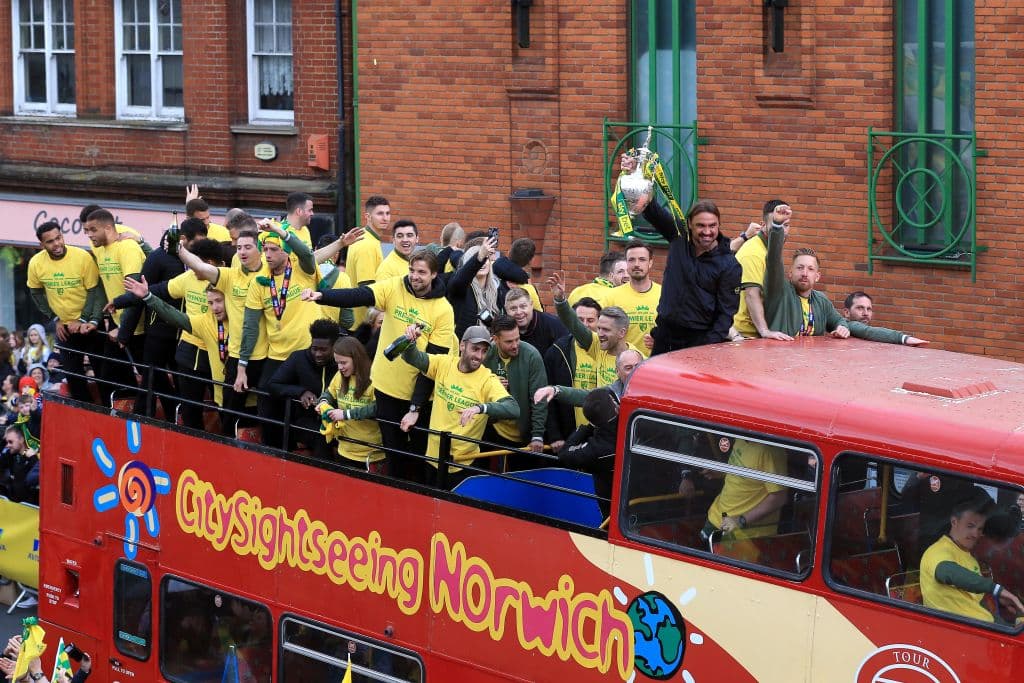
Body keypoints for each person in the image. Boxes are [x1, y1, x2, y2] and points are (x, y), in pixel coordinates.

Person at [303, 248, 455, 481]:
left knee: (417, 456)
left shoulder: (443, 309)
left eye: (421, 272)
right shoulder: (395, 286)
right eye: (412, 270)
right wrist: (323, 296)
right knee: (393, 455)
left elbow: (433, 366)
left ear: (434, 274)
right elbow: (359, 295)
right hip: (385, 388)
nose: (414, 276)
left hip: (419, 394)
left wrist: (415, 408)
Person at [762, 224, 927, 345]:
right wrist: (777, 229)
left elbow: (845, 323)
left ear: (818, 276)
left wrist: (902, 338)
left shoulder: (821, 301)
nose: (805, 273)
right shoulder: (780, 292)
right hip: (779, 367)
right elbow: (773, 262)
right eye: (800, 268)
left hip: (809, 369)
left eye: (810, 269)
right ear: (790, 273)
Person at [400, 324, 518, 488]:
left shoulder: (487, 379)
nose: (479, 356)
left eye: (484, 351)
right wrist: (410, 341)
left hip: (462, 464)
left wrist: (480, 408)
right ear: (462, 345)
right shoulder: (443, 363)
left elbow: (513, 408)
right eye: (475, 349)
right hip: (433, 457)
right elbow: (412, 358)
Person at [237, 221, 320, 447]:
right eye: (265, 249)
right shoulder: (259, 282)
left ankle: (303, 458)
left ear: (286, 252)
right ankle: (272, 454)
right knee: (267, 408)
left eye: (274, 249)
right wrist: (242, 367)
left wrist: (280, 231)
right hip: (277, 355)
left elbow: (306, 253)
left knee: (304, 411)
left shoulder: (302, 269)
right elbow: (251, 326)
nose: (268, 254)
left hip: (305, 351)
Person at [639, 200, 741, 353]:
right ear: (690, 224)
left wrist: (707, 347)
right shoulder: (678, 237)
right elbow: (652, 210)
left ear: (719, 225)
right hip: (665, 336)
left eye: (712, 226)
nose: (707, 232)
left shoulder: (729, 264)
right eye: (701, 225)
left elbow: (725, 315)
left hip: (698, 340)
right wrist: (638, 182)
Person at [123, 275, 232, 415]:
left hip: (244, 393)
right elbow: (173, 315)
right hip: (223, 395)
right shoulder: (206, 322)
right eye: (210, 303)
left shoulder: (241, 321)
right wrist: (148, 297)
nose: (215, 308)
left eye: (218, 301)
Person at [27, 219, 103, 402]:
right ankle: (85, 413)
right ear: (41, 244)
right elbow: (35, 293)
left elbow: (95, 291)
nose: (56, 244)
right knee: (73, 376)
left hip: (91, 325)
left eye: (58, 238)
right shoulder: (36, 263)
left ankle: (109, 412)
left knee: (102, 373)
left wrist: (85, 319)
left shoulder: (82, 256)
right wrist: (55, 318)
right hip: (65, 328)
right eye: (50, 241)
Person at [921, 490, 1024, 624]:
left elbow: (973, 597)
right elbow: (946, 571)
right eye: (970, 526)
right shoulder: (937, 551)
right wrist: (996, 590)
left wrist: (997, 599)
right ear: (954, 522)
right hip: (959, 630)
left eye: (980, 529)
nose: (975, 534)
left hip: (982, 623)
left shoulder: (968, 557)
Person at [84, 208, 147, 405]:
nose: (89, 235)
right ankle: (117, 416)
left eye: (93, 230)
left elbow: (135, 295)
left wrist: (123, 330)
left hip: (139, 326)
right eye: (86, 230)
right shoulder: (98, 247)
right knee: (107, 375)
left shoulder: (127, 248)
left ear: (109, 227)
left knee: (153, 379)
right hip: (119, 323)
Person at [265, 318, 341, 458]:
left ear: (334, 347)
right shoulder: (299, 358)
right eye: (314, 348)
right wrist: (300, 392)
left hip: (338, 420)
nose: (318, 354)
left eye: (324, 350)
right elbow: (273, 384)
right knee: (322, 437)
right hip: (305, 421)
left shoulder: (341, 362)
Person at [482, 315, 548, 467]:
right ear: (495, 339)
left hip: (521, 435)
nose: (515, 345)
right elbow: (471, 387)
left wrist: (537, 435)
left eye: (517, 339)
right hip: (491, 428)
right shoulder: (486, 354)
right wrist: (491, 385)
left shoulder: (531, 355)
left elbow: (539, 398)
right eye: (509, 341)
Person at [316, 336, 386, 472]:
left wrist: (345, 414)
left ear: (356, 358)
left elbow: (378, 408)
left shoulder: (375, 377)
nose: (340, 367)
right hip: (344, 449)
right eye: (337, 363)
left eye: (343, 363)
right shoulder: (339, 375)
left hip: (371, 454)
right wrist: (323, 402)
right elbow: (329, 393)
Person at [700, 438, 789, 544]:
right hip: (717, 516)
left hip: (744, 533)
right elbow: (746, 472)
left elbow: (779, 497)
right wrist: (722, 472)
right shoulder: (741, 439)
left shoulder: (770, 452)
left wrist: (741, 520)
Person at [542, 296, 603, 450]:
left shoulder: (608, 351)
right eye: (579, 320)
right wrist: (555, 435)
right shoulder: (557, 351)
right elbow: (548, 396)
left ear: (599, 322)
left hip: (600, 433)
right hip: (568, 433)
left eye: (590, 320)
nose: (585, 325)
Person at [731, 200, 795, 340]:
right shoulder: (753, 252)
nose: (782, 230)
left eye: (786, 225)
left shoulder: (767, 249)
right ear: (763, 225)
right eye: (777, 224)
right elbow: (751, 295)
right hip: (744, 336)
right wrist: (765, 331)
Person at [558, 387, 620, 519]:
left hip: (611, 509)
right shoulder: (628, 425)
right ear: (615, 409)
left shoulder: (595, 449)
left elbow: (564, 454)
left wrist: (588, 427)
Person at [600, 239, 662, 357]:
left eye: (642, 259)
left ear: (650, 263)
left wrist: (661, 343)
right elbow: (601, 335)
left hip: (654, 367)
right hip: (621, 368)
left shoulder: (664, 295)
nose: (637, 264)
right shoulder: (611, 297)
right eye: (632, 260)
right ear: (627, 263)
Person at [345, 195, 390, 332]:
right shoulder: (367, 244)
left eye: (387, 213)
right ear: (368, 216)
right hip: (363, 325)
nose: (385, 218)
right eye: (380, 213)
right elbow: (367, 289)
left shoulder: (368, 239)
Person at [444, 237, 499, 338]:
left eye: (485, 259)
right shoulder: (462, 288)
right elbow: (459, 280)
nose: (482, 263)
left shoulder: (495, 290)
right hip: (463, 347)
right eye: (480, 260)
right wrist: (480, 257)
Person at [503, 287, 568, 352]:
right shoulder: (502, 330)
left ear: (531, 305)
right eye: (513, 308)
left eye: (523, 306)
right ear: (506, 309)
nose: (519, 312)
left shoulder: (554, 325)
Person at [493, 237, 544, 312]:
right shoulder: (528, 288)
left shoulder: (489, 271)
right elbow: (539, 315)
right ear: (531, 261)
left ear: (509, 252)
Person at [0, 424, 40, 505]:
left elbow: (37, 478)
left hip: (29, 507)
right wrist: (3, 442)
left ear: (21, 439)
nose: (8, 445)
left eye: (10, 442)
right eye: (6, 442)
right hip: (12, 504)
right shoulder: (10, 455)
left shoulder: (35, 458)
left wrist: (33, 458)